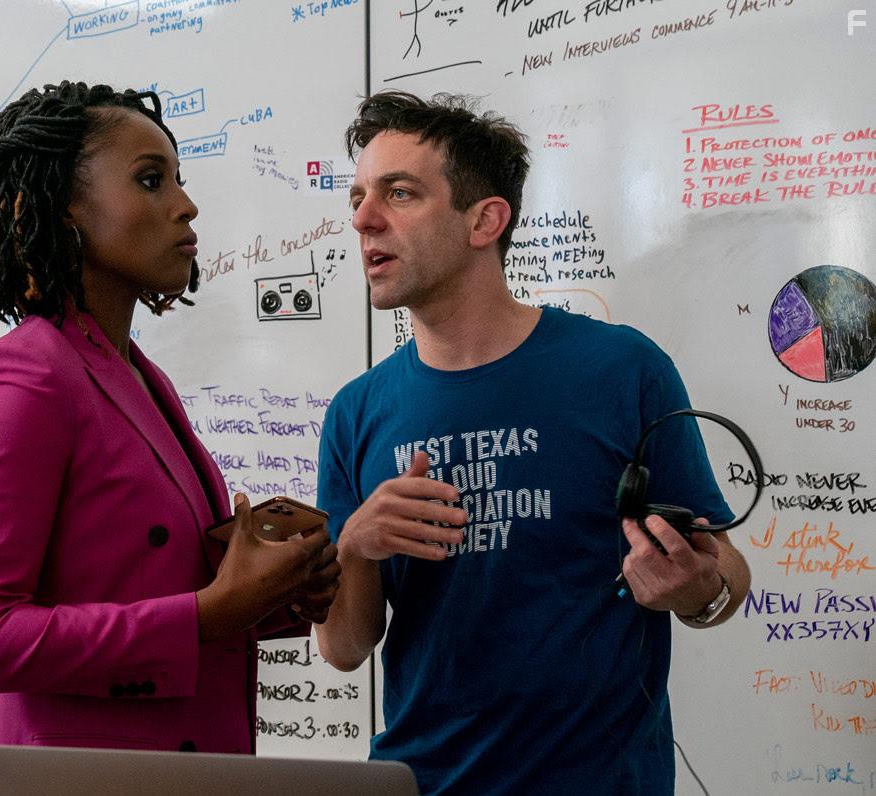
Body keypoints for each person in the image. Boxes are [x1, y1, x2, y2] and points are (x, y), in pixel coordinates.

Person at [315, 90, 751, 795]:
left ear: (485, 220)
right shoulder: (356, 412)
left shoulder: (621, 369)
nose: (364, 218)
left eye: (399, 193)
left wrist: (696, 586)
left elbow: (727, 572)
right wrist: (356, 547)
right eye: (360, 197)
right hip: (423, 781)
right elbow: (341, 648)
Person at [0, 80, 340, 796]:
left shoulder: (138, 375)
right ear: (60, 209)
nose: (185, 205)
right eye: (151, 181)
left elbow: (138, 579)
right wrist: (210, 612)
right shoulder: (24, 376)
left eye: (178, 180)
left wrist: (273, 592)